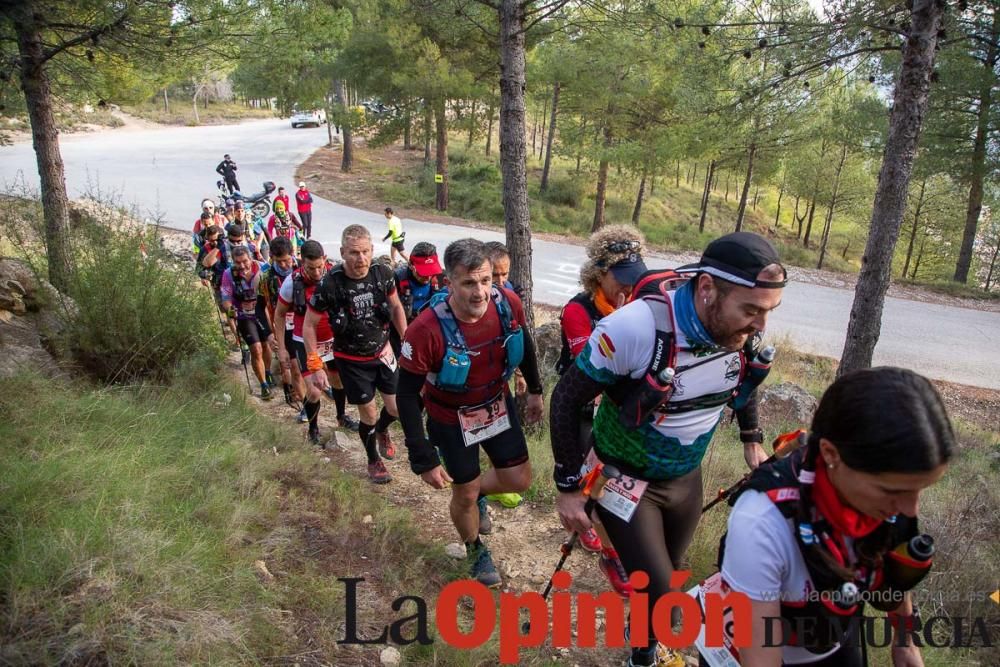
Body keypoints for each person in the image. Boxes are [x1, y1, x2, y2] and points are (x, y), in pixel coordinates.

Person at [550, 231, 786, 667]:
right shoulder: (633, 328)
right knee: (668, 598)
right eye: (751, 310)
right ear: (708, 288)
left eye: (768, 311)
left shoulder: (739, 330)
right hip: (623, 477)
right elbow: (566, 398)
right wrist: (568, 485)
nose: (760, 325)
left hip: (685, 476)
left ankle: (642, 647)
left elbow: (742, 377)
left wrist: (751, 439)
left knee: (668, 574)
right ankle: (643, 650)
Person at [720, 367, 953, 667]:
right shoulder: (761, 522)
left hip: (835, 632)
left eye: (920, 489)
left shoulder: (891, 499)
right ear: (830, 454)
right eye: (891, 490)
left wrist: (905, 642)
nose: (911, 509)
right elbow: (759, 655)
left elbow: (890, 562)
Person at [397, 238, 545, 587]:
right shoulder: (425, 330)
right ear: (448, 282)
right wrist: (422, 455)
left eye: (486, 281)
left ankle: (476, 492)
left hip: (496, 404)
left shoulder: (507, 303)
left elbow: (525, 346)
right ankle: (475, 548)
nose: (479, 292)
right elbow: (404, 393)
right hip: (451, 418)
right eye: (468, 283)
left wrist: (536, 391)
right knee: (462, 492)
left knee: (518, 480)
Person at [555, 224, 648, 597]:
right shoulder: (578, 310)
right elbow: (588, 365)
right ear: (598, 274)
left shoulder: (642, 304)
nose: (627, 288)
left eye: (634, 278)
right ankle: (587, 530)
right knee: (581, 480)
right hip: (579, 404)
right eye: (619, 280)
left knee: (608, 484)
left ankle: (612, 553)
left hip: (615, 409)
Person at [304, 225, 407, 483]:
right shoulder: (330, 283)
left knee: (395, 408)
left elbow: (395, 307)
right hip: (352, 360)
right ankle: (374, 460)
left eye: (365, 252)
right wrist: (314, 362)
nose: (360, 258)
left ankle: (382, 430)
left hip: (383, 352)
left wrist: (405, 338)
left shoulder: (383, 273)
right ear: (342, 252)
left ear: (372, 250)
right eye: (353, 253)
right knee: (369, 413)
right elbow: (308, 324)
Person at [275, 240, 359, 445]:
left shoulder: (334, 275)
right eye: (311, 268)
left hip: (332, 339)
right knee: (314, 390)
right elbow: (279, 315)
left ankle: (341, 417)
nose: (316, 272)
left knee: (338, 381)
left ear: (325, 259)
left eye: (320, 266)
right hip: (304, 341)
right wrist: (282, 348)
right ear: (302, 262)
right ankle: (313, 427)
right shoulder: (291, 283)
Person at [220, 245, 274, 400]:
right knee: (256, 349)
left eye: (244, 261)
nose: (242, 266)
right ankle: (263, 385)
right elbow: (226, 298)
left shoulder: (263, 269)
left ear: (251, 258)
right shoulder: (228, 274)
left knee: (265, 346)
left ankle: (268, 371)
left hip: (262, 315)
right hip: (244, 317)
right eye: (238, 263)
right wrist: (230, 310)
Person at [259, 236, 303, 407]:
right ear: (272, 258)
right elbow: (259, 308)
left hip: (303, 323)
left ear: (292, 255)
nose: (284, 265)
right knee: (293, 368)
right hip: (282, 326)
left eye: (286, 260)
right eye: (279, 261)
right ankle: (300, 402)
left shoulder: (302, 268)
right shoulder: (266, 276)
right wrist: (268, 334)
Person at [391, 241, 446, 356]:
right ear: (411, 265)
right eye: (423, 272)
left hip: (428, 328)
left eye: (431, 271)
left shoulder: (441, 279)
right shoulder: (397, 278)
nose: (428, 276)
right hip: (401, 330)